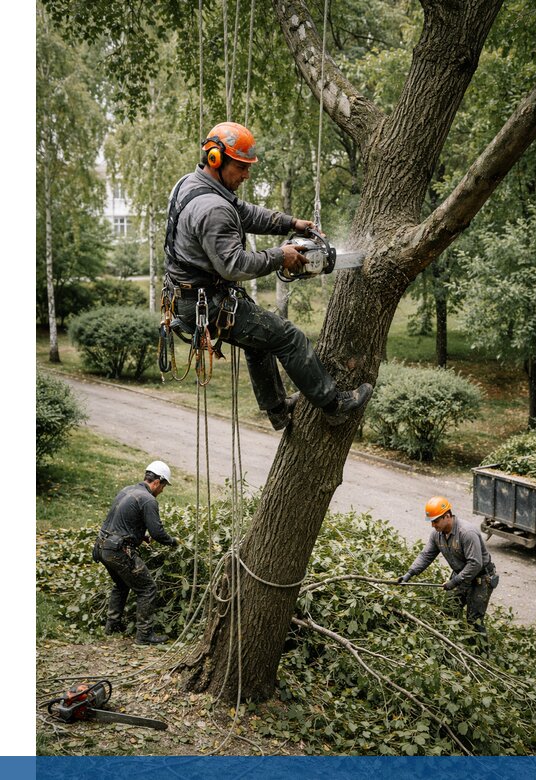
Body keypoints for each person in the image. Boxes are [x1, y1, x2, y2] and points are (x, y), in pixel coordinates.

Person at [164, 120, 372, 430]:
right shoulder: (212, 209)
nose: (247, 175)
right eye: (241, 167)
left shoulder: (191, 184)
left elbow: (243, 212)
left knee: (259, 340)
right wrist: (281, 256)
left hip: (190, 299)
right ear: (216, 160)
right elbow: (234, 265)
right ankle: (334, 405)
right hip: (206, 305)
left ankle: (277, 410)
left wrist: (292, 224)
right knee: (289, 338)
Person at [397, 496, 499, 654]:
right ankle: (455, 649)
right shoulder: (437, 535)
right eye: (431, 521)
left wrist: (454, 582)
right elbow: (426, 556)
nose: (433, 525)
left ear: (447, 516)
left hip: (480, 579)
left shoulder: (466, 532)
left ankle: (481, 658)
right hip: (460, 575)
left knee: (474, 620)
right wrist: (409, 574)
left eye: (435, 521)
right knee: (448, 610)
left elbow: (475, 563)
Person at [92, 461, 178, 645]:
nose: (162, 491)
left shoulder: (127, 490)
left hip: (102, 546)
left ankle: (112, 626)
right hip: (118, 551)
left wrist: (140, 536)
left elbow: (121, 521)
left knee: (121, 585)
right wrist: (173, 542)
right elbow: (158, 533)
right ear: (158, 481)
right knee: (147, 589)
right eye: (163, 486)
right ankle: (144, 635)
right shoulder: (148, 500)